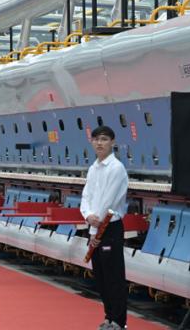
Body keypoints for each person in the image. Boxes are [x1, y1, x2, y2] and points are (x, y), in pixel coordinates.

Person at [80, 125, 129, 330]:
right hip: (95, 227)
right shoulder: (93, 168)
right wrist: (87, 215)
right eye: (96, 139)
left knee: (113, 276)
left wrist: (94, 230)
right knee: (100, 276)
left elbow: (107, 201)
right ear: (91, 142)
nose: (100, 143)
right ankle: (109, 317)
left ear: (112, 142)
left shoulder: (116, 168)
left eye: (104, 139)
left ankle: (119, 321)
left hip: (109, 228)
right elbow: (86, 196)